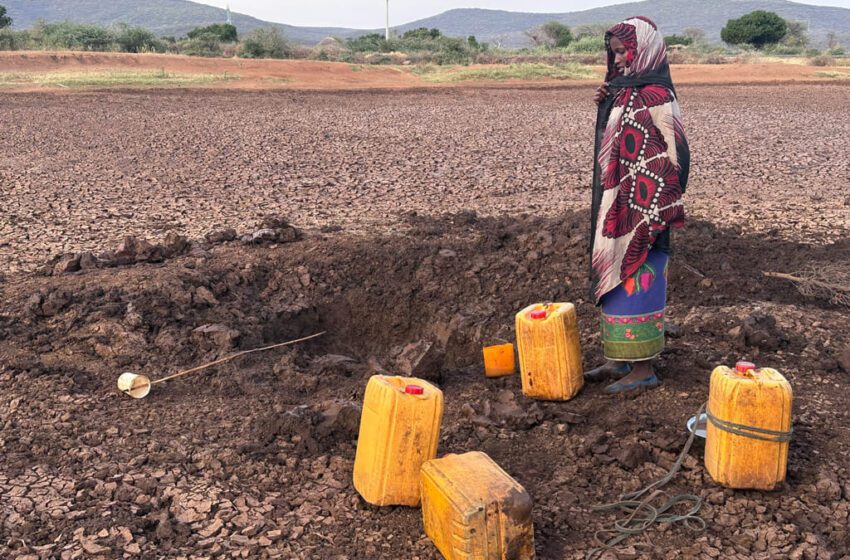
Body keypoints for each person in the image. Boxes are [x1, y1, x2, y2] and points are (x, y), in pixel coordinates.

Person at [584, 16, 690, 395]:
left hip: (646, 211)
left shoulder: (659, 96)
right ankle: (619, 359)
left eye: (623, 52)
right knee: (614, 277)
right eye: (614, 53)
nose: (618, 59)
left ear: (643, 49)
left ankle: (643, 368)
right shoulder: (624, 90)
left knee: (638, 280)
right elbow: (612, 147)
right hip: (618, 207)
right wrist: (605, 104)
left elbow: (676, 154)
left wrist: (654, 210)